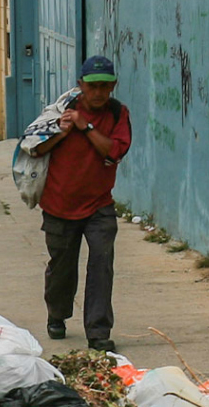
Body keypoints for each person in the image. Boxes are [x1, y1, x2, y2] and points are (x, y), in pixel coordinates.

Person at [29, 55, 132, 353]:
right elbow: (35, 150)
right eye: (92, 86)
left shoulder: (117, 113)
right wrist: (61, 131)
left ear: (112, 85)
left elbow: (113, 152)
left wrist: (86, 127)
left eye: (104, 86)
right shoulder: (61, 109)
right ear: (80, 85)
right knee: (62, 267)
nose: (98, 92)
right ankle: (57, 313)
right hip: (59, 204)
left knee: (102, 264)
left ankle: (99, 332)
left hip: (99, 206)